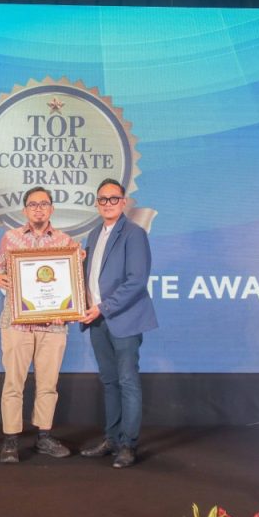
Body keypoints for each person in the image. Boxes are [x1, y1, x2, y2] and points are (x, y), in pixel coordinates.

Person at [79, 178, 158, 468]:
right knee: (110, 382)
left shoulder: (134, 233)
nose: (108, 203)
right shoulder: (93, 234)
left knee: (127, 381)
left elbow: (136, 281)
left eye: (114, 198)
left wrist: (103, 307)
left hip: (124, 319)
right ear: (97, 203)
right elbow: (91, 276)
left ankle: (128, 444)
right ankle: (111, 438)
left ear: (123, 202)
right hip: (98, 320)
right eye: (103, 199)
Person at [0, 186, 75, 463]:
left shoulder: (66, 242)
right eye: (33, 204)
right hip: (17, 323)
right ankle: (10, 440)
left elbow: (72, 282)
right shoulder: (10, 238)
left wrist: (68, 306)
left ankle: (44, 437)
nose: (38, 208)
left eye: (44, 203)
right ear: (24, 210)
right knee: (13, 383)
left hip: (53, 325)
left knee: (48, 384)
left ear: (52, 208)